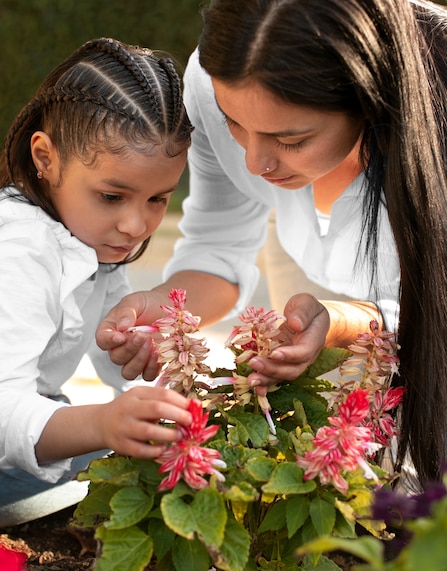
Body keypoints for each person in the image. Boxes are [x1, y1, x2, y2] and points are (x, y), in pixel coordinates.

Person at [96, 0, 447, 491]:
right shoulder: (223, 80)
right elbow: (218, 242)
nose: (254, 162)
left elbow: (434, 313)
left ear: (369, 100)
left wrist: (341, 321)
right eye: (233, 123)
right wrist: (167, 309)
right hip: (310, 287)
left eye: (291, 138)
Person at [0, 37, 195, 524]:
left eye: (157, 199)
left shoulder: (91, 236)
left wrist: (141, 352)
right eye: (112, 196)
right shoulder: (20, 249)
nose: (135, 225)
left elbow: (113, 353)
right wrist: (105, 424)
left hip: (32, 413)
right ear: (45, 158)